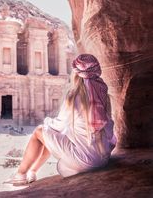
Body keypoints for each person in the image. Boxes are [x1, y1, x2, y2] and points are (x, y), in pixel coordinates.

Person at [6, 54, 117, 185]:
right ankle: (33, 171)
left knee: (40, 132)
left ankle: (20, 174)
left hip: (86, 160)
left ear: (77, 73)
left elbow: (59, 124)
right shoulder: (104, 95)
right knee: (51, 135)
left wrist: (48, 122)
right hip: (103, 157)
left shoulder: (75, 96)